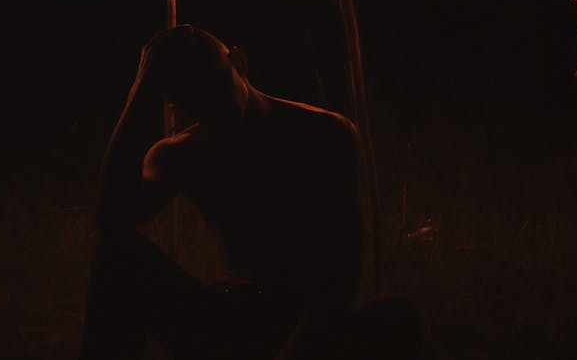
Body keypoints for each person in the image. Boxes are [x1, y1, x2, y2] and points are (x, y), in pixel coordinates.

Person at [80, 24, 419, 360]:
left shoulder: (323, 133)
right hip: (231, 321)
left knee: (398, 319)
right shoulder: (182, 154)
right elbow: (112, 220)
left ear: (239, 63)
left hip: (306, 320)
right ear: (174, 103)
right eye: (191, 99)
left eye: (215, 86)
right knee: (116, 256)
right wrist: (140, 92)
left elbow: (339, 276)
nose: (210, 106)